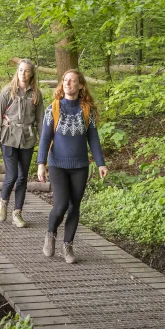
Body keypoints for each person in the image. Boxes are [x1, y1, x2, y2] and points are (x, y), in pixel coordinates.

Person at [36, 69, 108, 264]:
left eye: (72, 81)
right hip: (57, 164)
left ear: (80, 85)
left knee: (74, 206)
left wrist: (101, 163)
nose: (67, 83)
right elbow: (45, 138)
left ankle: (68, 246)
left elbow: (93, 138)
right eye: (65, 80)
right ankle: (51, 234)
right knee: (60, 205)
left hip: (80, 166)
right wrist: (41, 163)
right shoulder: (54, 108)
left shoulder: (87, 110)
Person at [0, 59, 44, 228]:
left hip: (27, 139)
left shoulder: (36, 94)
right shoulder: (8, 91)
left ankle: (17, 213)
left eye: (27, 71)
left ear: (31, 73)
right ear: (17, 71)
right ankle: (3, 202)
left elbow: (41, 120)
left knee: (22, 177)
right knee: (12, 175)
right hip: (9, 137)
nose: (23, 73)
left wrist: (44, 143)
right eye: (20, 70)